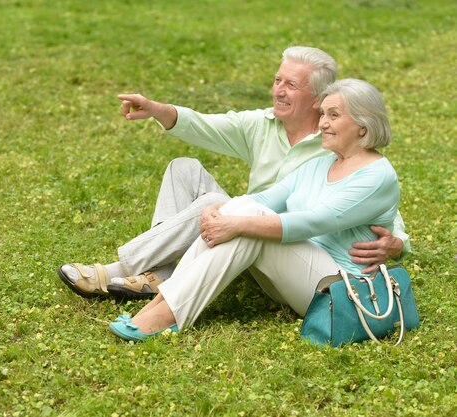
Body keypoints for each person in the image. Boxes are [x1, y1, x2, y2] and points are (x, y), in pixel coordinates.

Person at [58, 46, 409, 301]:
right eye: (277, 80)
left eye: (291, 85)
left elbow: (374, 204)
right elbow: (203, 126)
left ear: (319, 98)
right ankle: (158, 275)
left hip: (282, 247)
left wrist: (398, 244)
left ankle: (117, 270)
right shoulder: (260, 124)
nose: (278, 90)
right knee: (184, 169)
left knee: (213, 202)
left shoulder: (337, 142)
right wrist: (157, 110)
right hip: (245, 221)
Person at [109, 78, 401, 341]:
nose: (322, 122)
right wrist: (217, 212)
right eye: (323, 113)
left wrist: (236, 223)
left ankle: (166, 313)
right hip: (296, 276)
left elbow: (313, 222)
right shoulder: (320, 164)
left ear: (363, 124)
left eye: (334, 115)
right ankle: (161, 306)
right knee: (246, 211)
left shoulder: (376, 176)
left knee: (250, 223)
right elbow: (263, 199)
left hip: (341, 292)